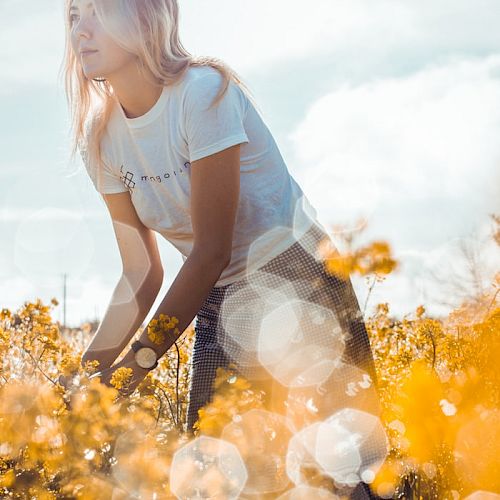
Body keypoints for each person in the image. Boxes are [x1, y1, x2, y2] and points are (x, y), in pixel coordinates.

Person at [62, 1, 384, 498]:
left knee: (332, 474)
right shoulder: (100, 139)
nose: (80, 30)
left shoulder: (202, 93)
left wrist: (133, 368)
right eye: (73, 15)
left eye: (97, 12)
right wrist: (89, 378)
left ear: (145, 17)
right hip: (219, 292)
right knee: (217, 477)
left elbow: (211, 250)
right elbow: (140, 272)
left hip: (298, 277)